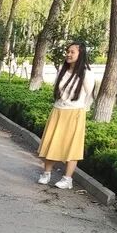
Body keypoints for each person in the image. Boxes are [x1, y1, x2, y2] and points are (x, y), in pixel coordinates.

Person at [37, 41, 96, 190]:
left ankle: (67, 179)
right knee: (51, 142)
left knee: (72, 146)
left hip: (75, 113)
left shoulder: (86, 74)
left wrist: (80, 110)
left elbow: (89, 96)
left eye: (72, 52)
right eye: (67, 52)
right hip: (58, 110)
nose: (68, 54)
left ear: (80, 54)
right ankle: (46, 173)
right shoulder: (63, 71)